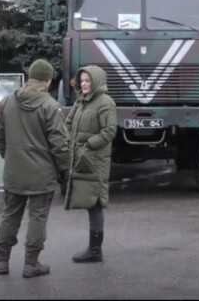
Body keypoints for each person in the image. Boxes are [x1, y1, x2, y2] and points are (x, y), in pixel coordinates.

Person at [0, 58, 70, 278]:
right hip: (42, 174)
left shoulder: (7, 101)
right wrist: (64, 170)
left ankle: (2, 261)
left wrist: (8, 156)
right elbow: (60, 145)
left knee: (10, 215)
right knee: (37, 218)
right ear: (48, 80)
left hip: (14, 172)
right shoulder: (50, 106)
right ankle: (31, 264)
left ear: (30, 77)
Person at [64, 65, 117, 263]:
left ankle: (95, 250)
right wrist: (70, 140)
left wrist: (87, 144)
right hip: (82, 159)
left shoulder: (105, 102)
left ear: (96, 81)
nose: (84, 84)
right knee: (90, 203)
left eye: (88, 80)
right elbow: (68, 123)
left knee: (94, 203)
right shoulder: (81, 101)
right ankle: (94, 250)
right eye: (82, 81)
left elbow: (110, 131)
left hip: (95, 161)